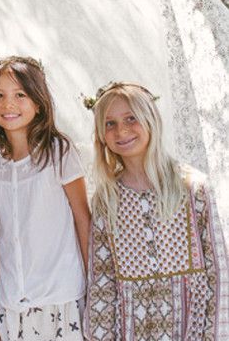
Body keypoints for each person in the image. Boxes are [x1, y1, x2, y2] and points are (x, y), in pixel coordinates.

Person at [84, 81, 229, 340]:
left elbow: (218, 273)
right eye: (110, 123)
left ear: (151, 119)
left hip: (191, 331)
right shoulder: (106, 200)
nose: (122, 130)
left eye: (131, 118)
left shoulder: (192, 187)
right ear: (101, 135)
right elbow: (101, 283)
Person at [0, 56, 90, 341]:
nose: (9, 104)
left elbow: (82, 217)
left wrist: (97, 285)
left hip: (59, 296)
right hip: (12, 300)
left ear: (38, 103)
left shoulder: (58, 151)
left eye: (20, 95)